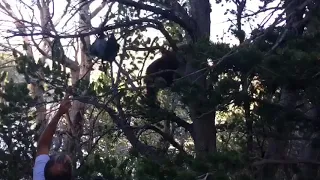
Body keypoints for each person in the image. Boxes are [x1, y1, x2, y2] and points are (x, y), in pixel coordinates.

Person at [33, 98, 73, 180]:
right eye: (66, 165)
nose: (65, 160)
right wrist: (59, 113)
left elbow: (43, 145)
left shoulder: (40, 176)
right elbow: (43, 145)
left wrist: (59, 113)